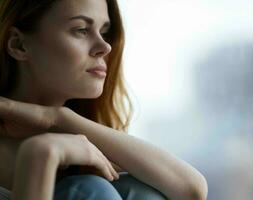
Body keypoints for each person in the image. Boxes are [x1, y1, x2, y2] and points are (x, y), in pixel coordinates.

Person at [0, 0, 208, 199]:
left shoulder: (81, 142)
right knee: (89, 188)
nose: (105, 46)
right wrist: (42, 154)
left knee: (140, 191)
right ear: (19, 45)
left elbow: (191, 190)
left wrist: (58, 118)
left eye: (105, 32)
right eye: (81, 30)